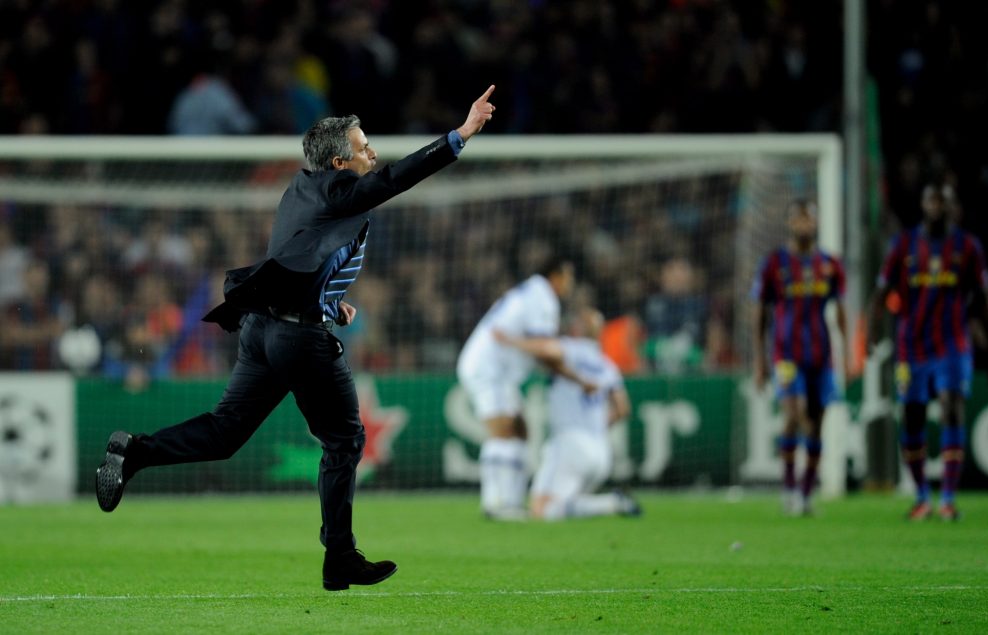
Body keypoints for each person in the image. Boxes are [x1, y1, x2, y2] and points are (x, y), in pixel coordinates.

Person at [95, 85, 499, 590]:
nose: (373, 154)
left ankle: (134, 452)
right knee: (345, 440)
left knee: (225, 432)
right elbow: (394, 179)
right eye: (363, 148)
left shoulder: (302, 188)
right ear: (339, 162)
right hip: (299, 339)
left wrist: (328, 300)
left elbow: (298, 254)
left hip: (263, 329)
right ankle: (340, 556)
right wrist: (459, 135)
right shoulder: (339, 189)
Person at [869, 183, 988, 521]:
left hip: (953, 345)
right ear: (922, 204)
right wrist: (871, 330)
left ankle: (947, 498)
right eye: (931, 200)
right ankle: (921, 496)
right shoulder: (903, 244)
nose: (937, 206)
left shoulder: (967, 246)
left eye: (943, 201)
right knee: (912, 417)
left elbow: (984, 302)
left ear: (952, 206)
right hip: (911, 347)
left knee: (951, 408)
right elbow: (881, 291)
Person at [456, 257, 590, 520]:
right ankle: (495, 503)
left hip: (501, 373)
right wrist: (576, 376)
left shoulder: (531, 292)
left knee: (520, 430)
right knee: (503, 431)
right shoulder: (543, 297)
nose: (571, 284)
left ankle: (513, 500)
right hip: (490, 369)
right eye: (569, 277)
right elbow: (544, 349)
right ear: (556, 275)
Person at [494, 308, 639, 520]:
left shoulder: (570, 349)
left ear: (577, 329)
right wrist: (597, 426)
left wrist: (511, 341)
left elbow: (545, 350)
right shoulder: (607, 366)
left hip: (570, 443)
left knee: (542, 509)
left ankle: (610, 503)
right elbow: (623, 409)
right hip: (600, 450)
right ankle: (611, 502)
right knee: (565, 504)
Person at [752, 200, 847, 516]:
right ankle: (789, 488)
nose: (804, 225)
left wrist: (847, 353)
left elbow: (840, 311)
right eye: (798, 219)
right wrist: (759, 360)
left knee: (817, 424)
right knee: (794, 414)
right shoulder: (774, 263)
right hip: (786, 353)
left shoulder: (830, 264)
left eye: (809, 219)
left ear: (816, 223)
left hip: (821, 355)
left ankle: (806, 494)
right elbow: (760, 311)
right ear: (789, 223)